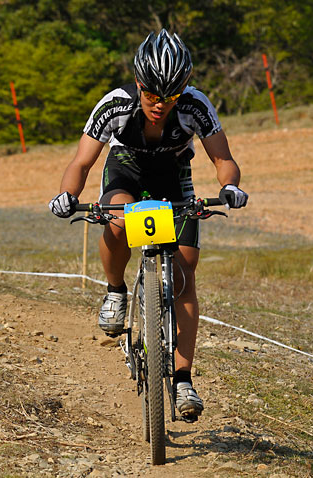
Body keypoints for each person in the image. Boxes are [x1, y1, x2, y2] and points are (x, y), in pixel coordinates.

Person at [48, 29, 248, 418]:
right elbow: (82, 162)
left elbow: (223, 159)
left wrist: (230, 187)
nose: (160, 104)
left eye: (170, 97)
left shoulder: (196, 106)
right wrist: (68, 195)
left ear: (184, 88)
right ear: (139, 83)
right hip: (128, 171)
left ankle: (184, 379)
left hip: (175, 175)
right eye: (152, 95)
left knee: (185, 273)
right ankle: (116, 290)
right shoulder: (115, 105)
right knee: (120, 218)